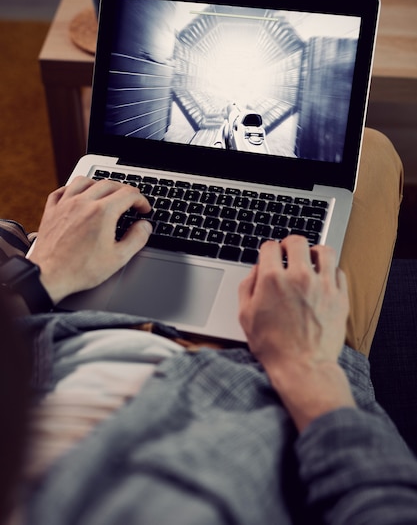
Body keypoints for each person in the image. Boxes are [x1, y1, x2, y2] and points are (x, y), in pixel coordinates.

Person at [1, 128, 417, 524]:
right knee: (371, 151)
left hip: (61, 322)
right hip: (274, 375)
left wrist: (39, 277)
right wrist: (309, 368)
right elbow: (383, 503)